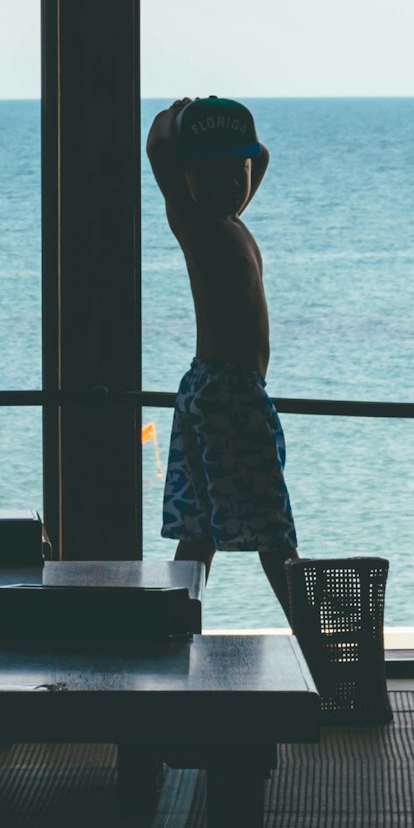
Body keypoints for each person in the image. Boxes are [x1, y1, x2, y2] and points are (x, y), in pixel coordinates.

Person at [147, 95, 340, 694]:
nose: (235, 182)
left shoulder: (231, 220)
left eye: (241, 172)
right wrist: (176, 119)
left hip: (217, 389)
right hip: (229, 393)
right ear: (188, 177)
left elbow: (262, 157)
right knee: (274, 534)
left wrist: (241, 147)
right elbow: (157, 151)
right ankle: (320, 659)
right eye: (216, 171)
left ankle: (166, 642)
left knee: (200, 530)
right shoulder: (197, 224)